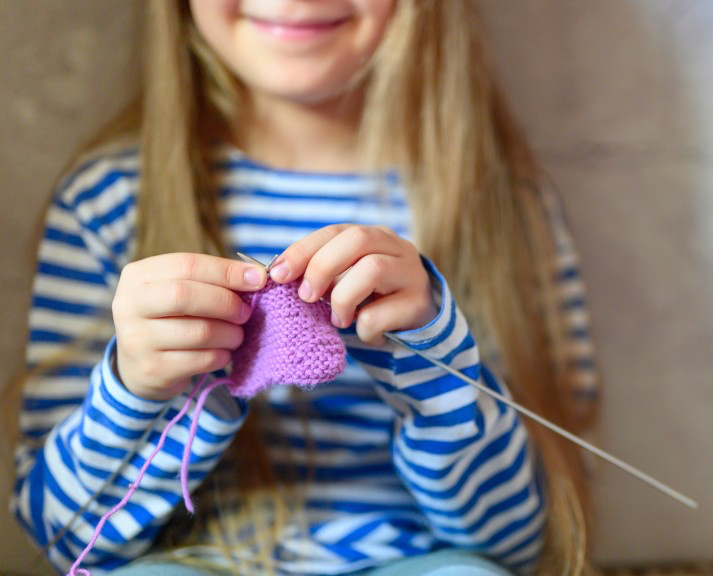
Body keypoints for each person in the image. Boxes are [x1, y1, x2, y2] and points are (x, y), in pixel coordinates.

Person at [9, 1, 599, 575]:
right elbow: (64, 542)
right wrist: (135, 390)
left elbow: (526, 545)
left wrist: (435, 355)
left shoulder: (502, 209)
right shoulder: (108, 202)